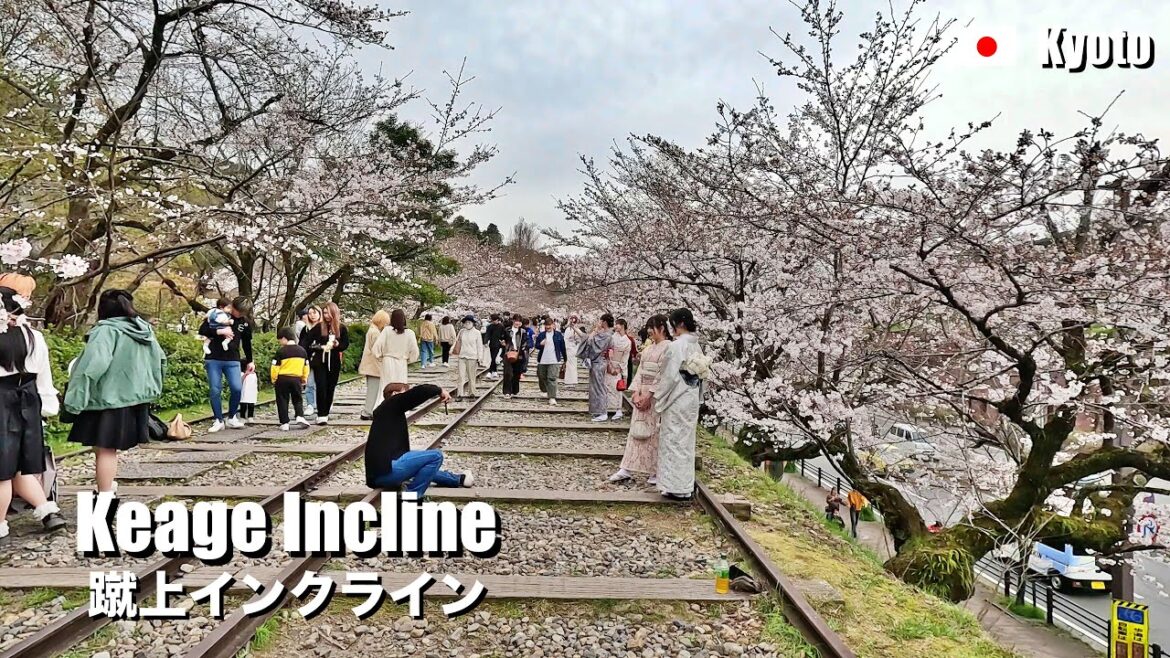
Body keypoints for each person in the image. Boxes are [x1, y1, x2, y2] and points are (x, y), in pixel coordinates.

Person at [65, 290, 167, 496]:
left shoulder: (106, 331)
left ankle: (105, 494)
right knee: (107, 449)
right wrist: (152, 389)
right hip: (134, 398)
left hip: (106, 398)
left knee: (105, 449)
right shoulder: (144, 330)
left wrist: (74, 401)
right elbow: (161, 361)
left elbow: (91, 367)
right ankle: (107, 486)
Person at [0, 286, 66, 543]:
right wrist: (48, 407)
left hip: (1, 404)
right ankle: (49, 512)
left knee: (3, 472)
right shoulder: (34, 337)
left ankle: (1, 524)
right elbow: (44, 377)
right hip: (28, 404)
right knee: (22, 467)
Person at [365, 382, 474, 498]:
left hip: (380, 475)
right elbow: (418, 393)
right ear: (395, 394)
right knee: (436, 456)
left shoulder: (388, 413)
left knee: (423, 465)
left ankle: (459, 479)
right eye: (405, 393)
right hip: (386, 472)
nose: (407, 397)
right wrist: (439, 390)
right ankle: (412, 496)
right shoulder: (391, 405)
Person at [608, 315, 671, 484]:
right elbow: (640, 371)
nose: (649, 331)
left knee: (653, 433)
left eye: (653, 327)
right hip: (641, 392)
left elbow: (663, 374)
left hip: (655, 396)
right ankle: (627, 467)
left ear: (662, 328)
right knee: (636, 431)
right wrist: (635, 392)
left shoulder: (668, 348)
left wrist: (650, 394)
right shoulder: (649, 349)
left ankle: (655, 470)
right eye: (648, 327)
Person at [653, 308, 703, 501]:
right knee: (686, 442)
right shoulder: (696, 346)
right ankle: (684, 485)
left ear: (679, 324)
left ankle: (675, 486)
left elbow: (669, 377)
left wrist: (659, 397)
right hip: (691, 397)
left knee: (672, 440)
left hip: (677, 398)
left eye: (672, 324)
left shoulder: (676, 347)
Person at [199, 296, 254, 433]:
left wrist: (250, 360)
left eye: (242, 313)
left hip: (233, 359)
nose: (239, 314)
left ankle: (232, 416)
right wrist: (219, 331)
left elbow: (247, 343)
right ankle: (218, 419)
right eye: (238, 311)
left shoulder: (245, 323)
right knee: (215, 389)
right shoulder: (219, 314)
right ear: (233, 307)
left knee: (236, 388)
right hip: (214, 357)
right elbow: (203, 330)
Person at [305, 302, 349, 425]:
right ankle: (321, 414)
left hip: (334, 361)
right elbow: (307, 341)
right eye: (324, 313)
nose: (326, 315)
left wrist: (337, 345)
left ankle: (326, 411)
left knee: (330, 387)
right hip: (320, 360)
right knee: (321, 386)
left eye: (328, 312)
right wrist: (317, 348)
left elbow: (345, 344)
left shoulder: (341, 328)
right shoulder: (319, 327)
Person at [270, 328, 311, 431]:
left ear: (284, 338)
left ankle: (284, 422)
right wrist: (304, 377)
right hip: (296, 378)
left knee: (282, 399)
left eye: (280, 340)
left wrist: (274, 379)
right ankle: (299, 416)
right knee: (297, 398)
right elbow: (306, 366)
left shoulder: (280, 351)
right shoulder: (302, 351)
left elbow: (275, 367)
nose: (280, 343)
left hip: (282, 378)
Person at [577, 314, 615, 422]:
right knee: (597, 386)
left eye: (600, 320)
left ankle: (602, 412)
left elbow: (590, 342)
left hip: (599, 362)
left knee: (599, 387)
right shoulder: (607, 335)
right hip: (599, 362)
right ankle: (597, 411)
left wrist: (595, 331)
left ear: (604, 322)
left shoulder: (606, 335)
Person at [374, 308, 419, 387]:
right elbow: (415, 351)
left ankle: (383, 399)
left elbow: (376, 347)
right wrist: (409, 360)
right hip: (402, 361)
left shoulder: (387, 331)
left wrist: (380, 358)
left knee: (385, 387)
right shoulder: (410, 333)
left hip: (387, 361)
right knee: (400, 387)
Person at [358, 310, 390, 420]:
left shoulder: (371, 330)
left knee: (372, 389)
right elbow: (378, 349)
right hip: (373, 366)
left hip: (370, 365)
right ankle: (368, 411)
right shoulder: (375, 333)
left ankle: (368, 410)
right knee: (374, 390)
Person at [534, 317, 566, 406]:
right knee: (542, 377)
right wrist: (540, 344)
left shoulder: (558, 335)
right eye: (546, 325)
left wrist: (565, 359)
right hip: (542, 360)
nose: (548, 327)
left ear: (553, 325)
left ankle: (552, 397)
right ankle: (544, 390)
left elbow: (563, 347)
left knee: (552, 378)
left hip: (554, 360)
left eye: (549, 325)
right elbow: (536, 345)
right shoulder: (541, 335)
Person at [298, 306, 322, 417]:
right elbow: (302, 344)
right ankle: (311, 404)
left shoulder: (324, 327)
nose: (312, 315)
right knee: (309, 383)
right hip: (308, 360)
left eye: (315, 312)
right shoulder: (305, 329)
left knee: (321, 384)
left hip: (321, 359)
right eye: (310, 313)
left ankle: (322, 403)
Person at [607, 319, 633, 421]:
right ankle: (607, 407)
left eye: (617, 324)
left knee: (617, 388)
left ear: (622, 326)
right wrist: (609, 365)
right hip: (610, 364)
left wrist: (620, 369)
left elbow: (625, 358)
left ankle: (618, 409)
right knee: (607, 386)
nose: (616, 326)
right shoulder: (612, 337)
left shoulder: (627, 341)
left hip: (618, 365)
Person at [500, 316, 531, 398]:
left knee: (516, 373)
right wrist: (504, 344)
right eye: (516, 321)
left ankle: (514, 390)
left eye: (519, 321)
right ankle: (507, 392)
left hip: (519, 354)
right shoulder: (507, 330)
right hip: (508, 353)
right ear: (513, 321)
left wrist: (523, 348)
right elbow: (502, 338)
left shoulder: (523, 331)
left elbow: (526, 341)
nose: (517, 323)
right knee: (507, 373)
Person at [454, 315, 482, 399]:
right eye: (466, 322)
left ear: (473, 323)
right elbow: (457, 342)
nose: (467, 324)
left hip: (472, 357)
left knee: (471, 376)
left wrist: (480, 357)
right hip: (462, 356)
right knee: (461, 376)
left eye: (469, 322)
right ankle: (460, 394)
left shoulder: (477, 333)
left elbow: (479, 346)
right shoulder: (462, 332)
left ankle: (472, 393)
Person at [562, 315, 585, 386]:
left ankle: (571, 381)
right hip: (570, 348)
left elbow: (579, 339)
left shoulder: (574, 329)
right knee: (570, 365)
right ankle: (570, 381)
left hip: (572, 348)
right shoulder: (570, 329)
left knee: (572, 365)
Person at [484, 314, 504, 380]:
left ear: (498, 320)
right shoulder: (490, 326)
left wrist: (503, 340)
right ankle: (494, 371)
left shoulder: (501, 326)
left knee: (493, 357)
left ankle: (490, 371)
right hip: (492, 344)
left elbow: (503, 335)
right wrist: (486, 342)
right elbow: (487, 334)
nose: (494, 322)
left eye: (495, 320)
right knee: (493, 357)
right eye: (493, 320)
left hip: (498, 344)